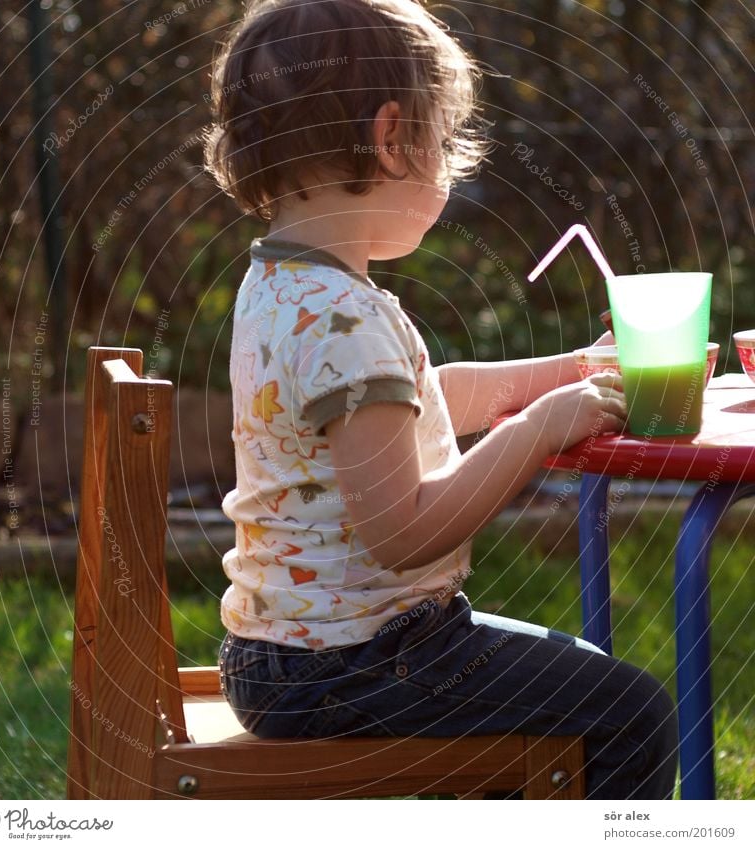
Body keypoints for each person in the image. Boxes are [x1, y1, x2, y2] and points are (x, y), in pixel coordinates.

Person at [203, 0, 677, 799]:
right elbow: (404, 531)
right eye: (445, 140)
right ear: (392, 139)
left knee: (581, 680)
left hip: (289, 655)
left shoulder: (282, 286)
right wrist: (538, 430)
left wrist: (569, 369)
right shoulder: (344, 316)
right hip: (358, 663)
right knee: (630, 711)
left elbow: (424, 402)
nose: (451, 166)